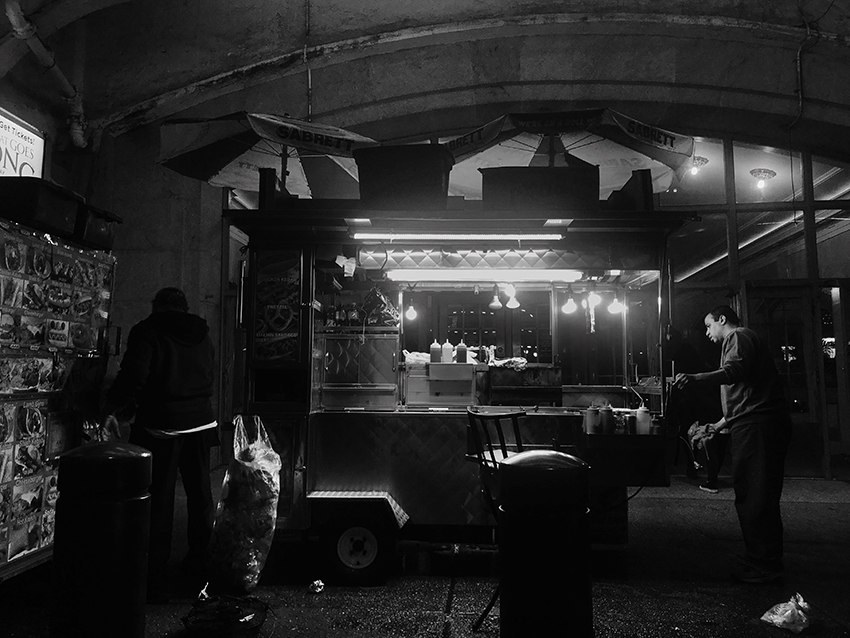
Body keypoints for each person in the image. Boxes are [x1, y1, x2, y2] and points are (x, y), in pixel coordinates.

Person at [102, 287, 217, 602]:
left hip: (162, 425)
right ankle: (200, 559)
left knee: (160, 496)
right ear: (184, 307)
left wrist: (114, 407)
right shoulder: (203, 334)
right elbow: (209, 372)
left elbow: (134, 374)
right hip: (202, 421)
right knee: (200, 493)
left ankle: (155, 570)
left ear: (157, 306)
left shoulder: (147, 330)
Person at [674, 305, 792, 584]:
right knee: (753, 491)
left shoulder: (738, 336)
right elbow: (747, 397)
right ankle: (760, 559)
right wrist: (716, 426)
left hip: (759, 427)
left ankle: (765, 565)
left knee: (756, 493)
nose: (707, 332)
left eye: (708, 325)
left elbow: (734, 371)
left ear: (722, 320)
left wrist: (695, 378)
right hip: (752, 423)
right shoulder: (741, 341)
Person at [665, 326, 726, 492]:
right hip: (698, 398)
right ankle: (701, 470)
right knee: (702, 434)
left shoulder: (682, 352)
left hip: (696, 398)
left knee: (705, 435)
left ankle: (700, 470)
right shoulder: (687, 351)